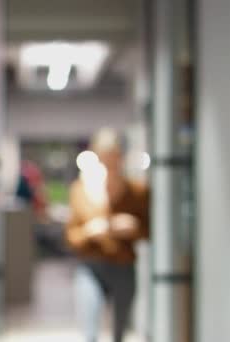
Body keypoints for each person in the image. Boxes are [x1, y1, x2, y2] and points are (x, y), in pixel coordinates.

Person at [65, 128, 149, 342]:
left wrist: (132, 228)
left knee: (120, 330)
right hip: (91, 265)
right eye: (105, 158)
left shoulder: (137, 191)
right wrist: (89, 231)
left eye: (114, 157)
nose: (110, 164)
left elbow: (149, 230)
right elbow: (71, 236)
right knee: (90, 330)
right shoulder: (81, 190)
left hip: (123, 265)